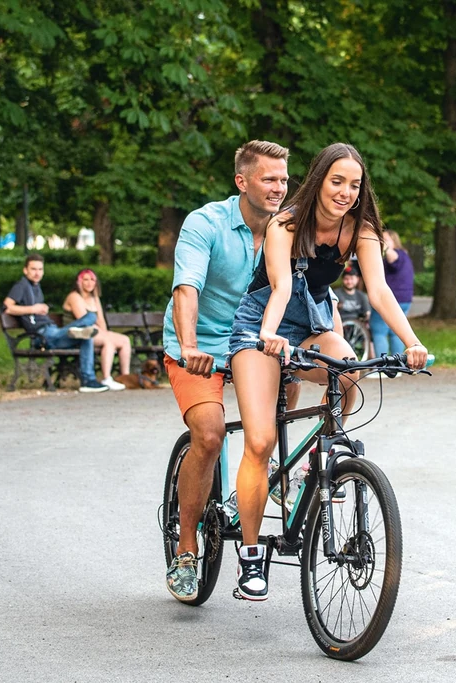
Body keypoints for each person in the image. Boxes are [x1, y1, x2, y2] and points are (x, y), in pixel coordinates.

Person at [226, 143, 428, 600]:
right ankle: (252, 557)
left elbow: (378, 292)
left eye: (354, 185)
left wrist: (411, 342)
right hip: (263, 325)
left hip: (314, 324)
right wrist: (271, 338)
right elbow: (279, 288)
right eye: (337, 181)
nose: (345, 192)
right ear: (319, 179)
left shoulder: (362, 230)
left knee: (349, 371)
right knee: (259, 441)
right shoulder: (286, 222)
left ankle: (319, 457)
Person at [162, 140, 296, 603]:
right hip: (200, 345)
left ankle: (263, 475)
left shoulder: (289, 227)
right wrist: (190, 345)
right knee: (211, 433)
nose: (279, 188)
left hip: (254, 343)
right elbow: (186, 288)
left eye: (283, 179)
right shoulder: (206, 223)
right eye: (269, 179)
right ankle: (185, 546)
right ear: (242, 181)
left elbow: (308, 286)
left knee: (297, 372)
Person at [2, 253, 109, 393]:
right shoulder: (21, 286)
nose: (37, 273)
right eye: (33, 269)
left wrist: (41, 309)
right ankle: (78, 328)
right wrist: (33, 309)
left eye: (40, 269)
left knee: (86, 337)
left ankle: (88, 382)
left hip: (52, 331)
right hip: (42, 336)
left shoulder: (36, 287)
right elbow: (7, 307)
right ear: (25, 270)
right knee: (90, 318)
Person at [62, 268, 131, 391]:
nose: (89, 283)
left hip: (94, 332)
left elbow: (100, 320)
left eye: (92, 280)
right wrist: (105, 336)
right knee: (108, 342)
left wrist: (105, 333)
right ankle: (106, 378)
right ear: (79, 282)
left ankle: (125, 377)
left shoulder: (94, 298)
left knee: (125, 340)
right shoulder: (74, 296)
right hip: (78, 334)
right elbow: (84, 322)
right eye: (85, 279)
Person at [368, 229, 415, 359]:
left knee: (379, 331)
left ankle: (382, 365)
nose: (381, 242)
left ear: (394, 241)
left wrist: (384, 247)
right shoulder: (405, 256)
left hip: (389, 300)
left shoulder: (396, 255)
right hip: (405, 299)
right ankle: (397, 364)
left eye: (385, 239)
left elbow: (392, 257)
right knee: (397, 332)